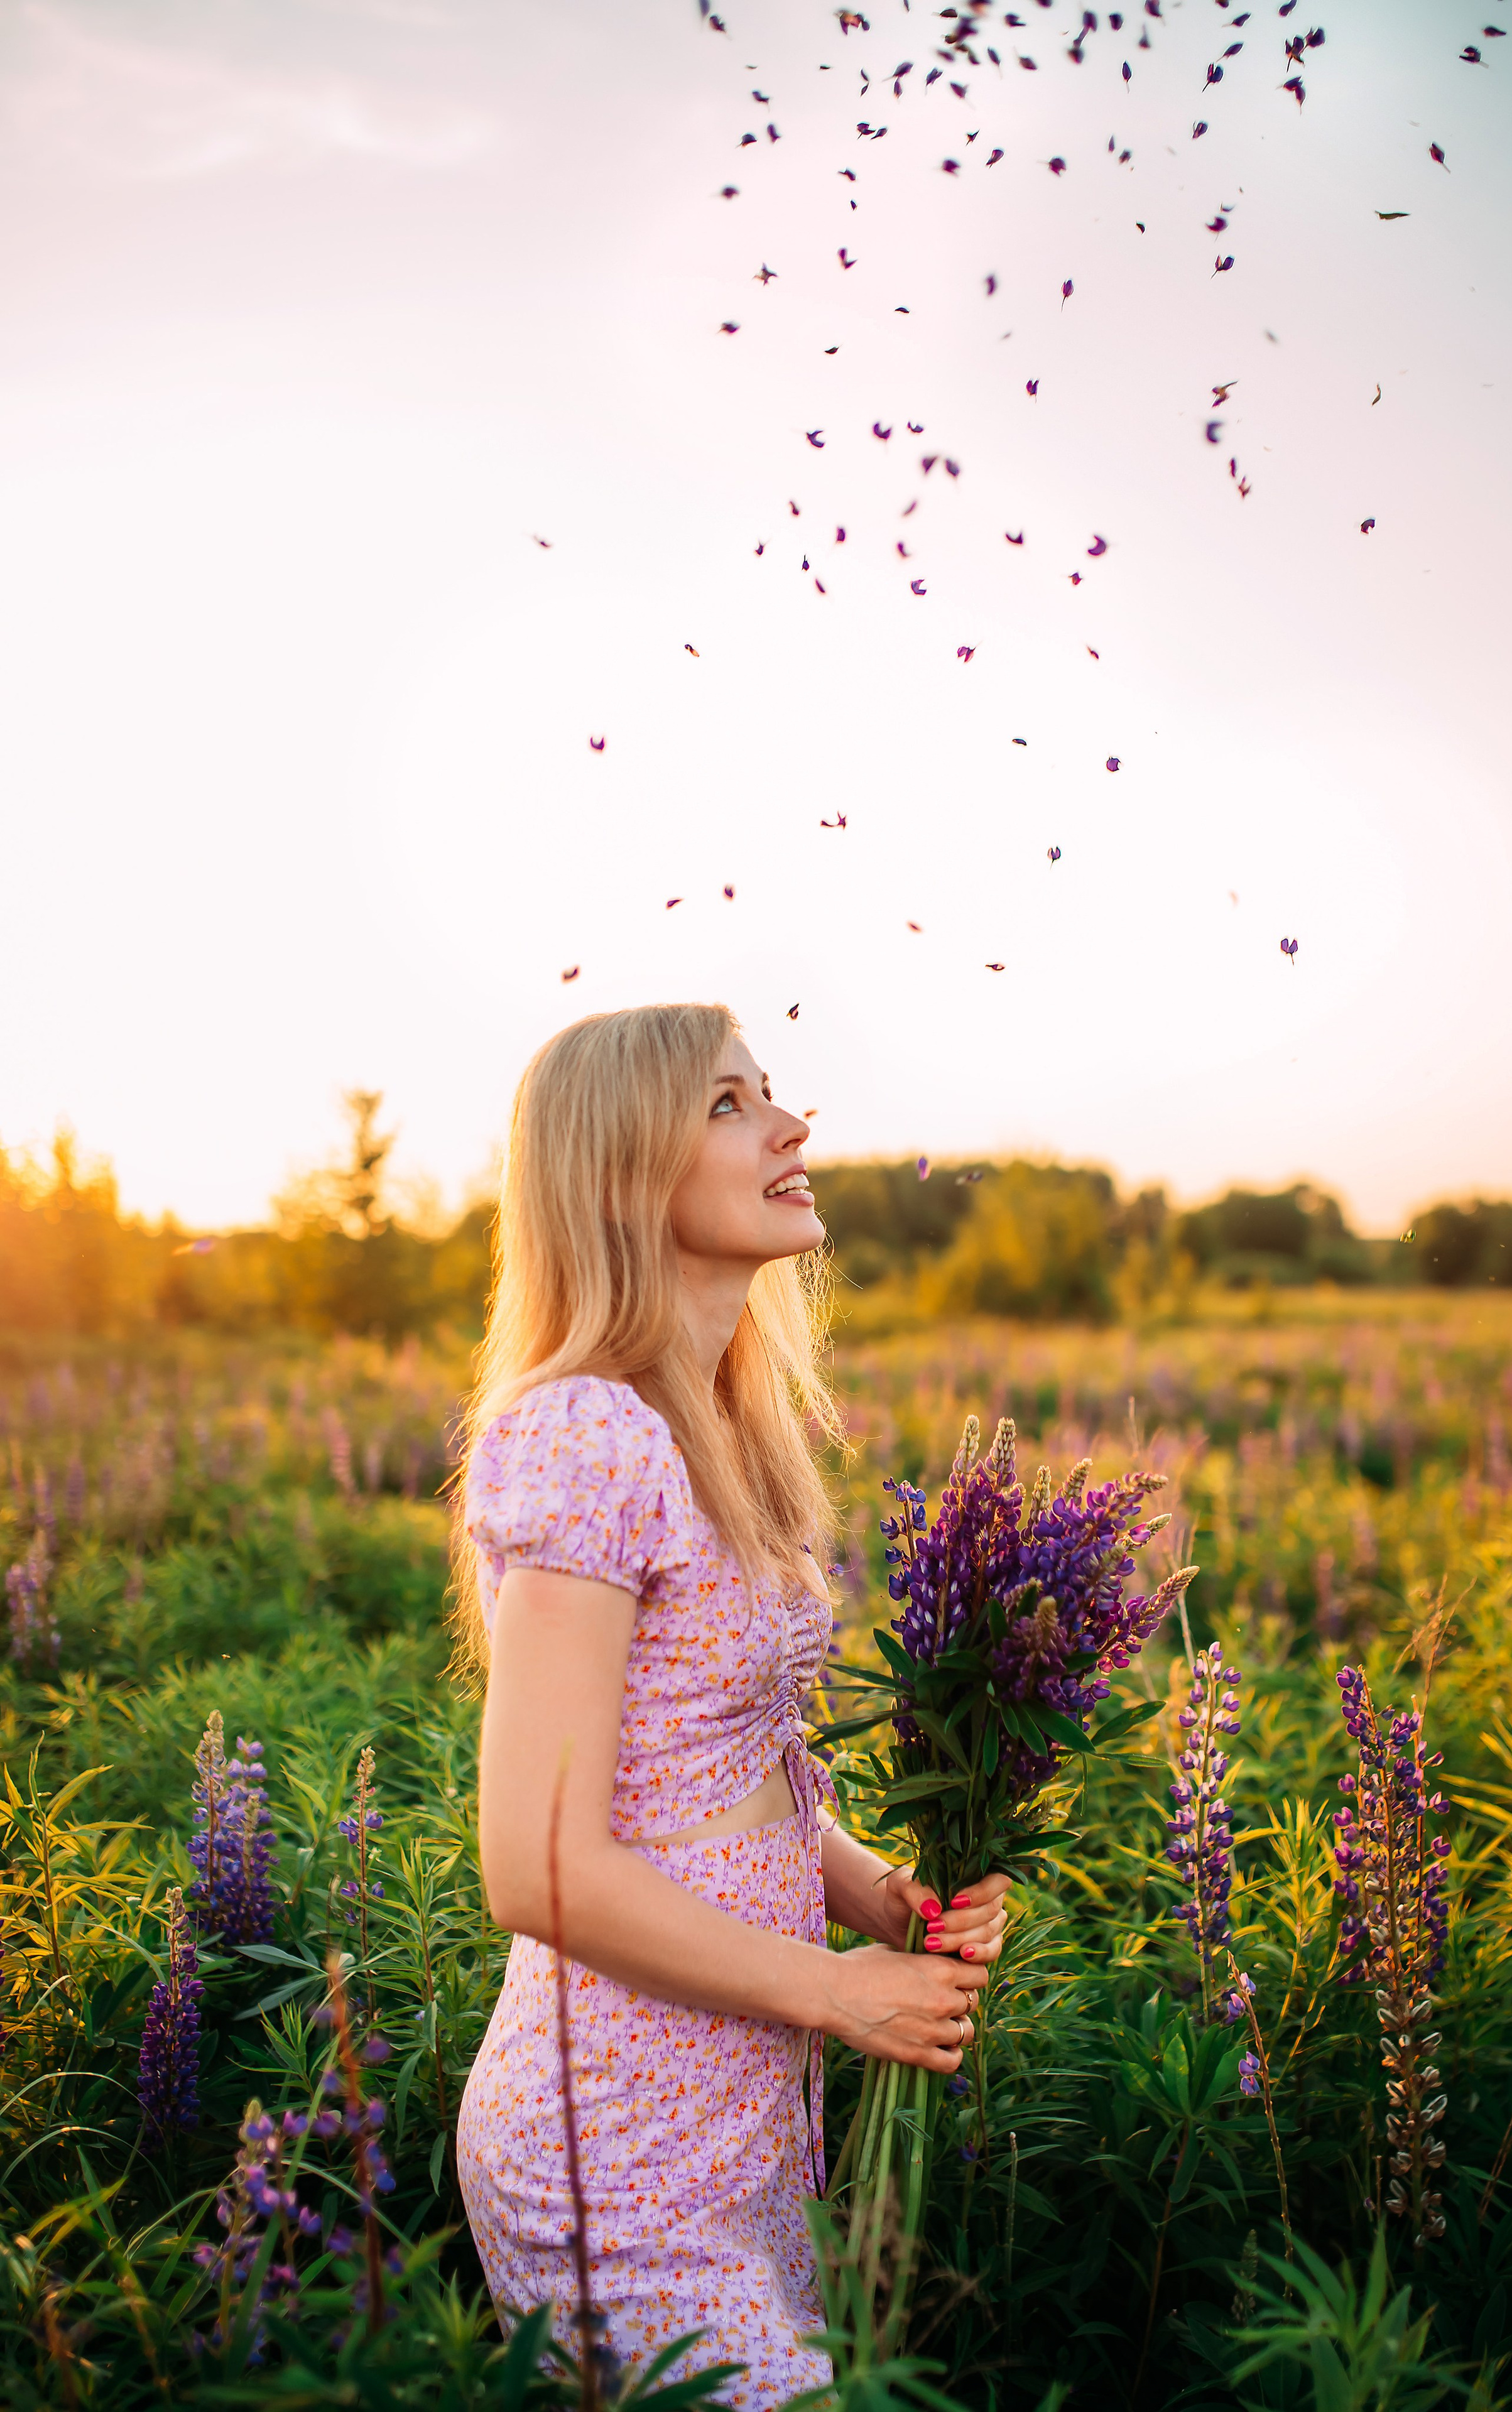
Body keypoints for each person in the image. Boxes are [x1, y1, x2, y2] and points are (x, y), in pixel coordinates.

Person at [453, 1003, 1009, 2408]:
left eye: (770, 1092)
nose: (789, 1125)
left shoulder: (717, 1427)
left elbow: (711, 1761)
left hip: (738, 2116)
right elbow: (535, 1866)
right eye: (727, 1104)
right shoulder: (583, 1431)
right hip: (616, 2143)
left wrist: (871, 1892)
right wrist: (836, 1994)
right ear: (623, 1170)